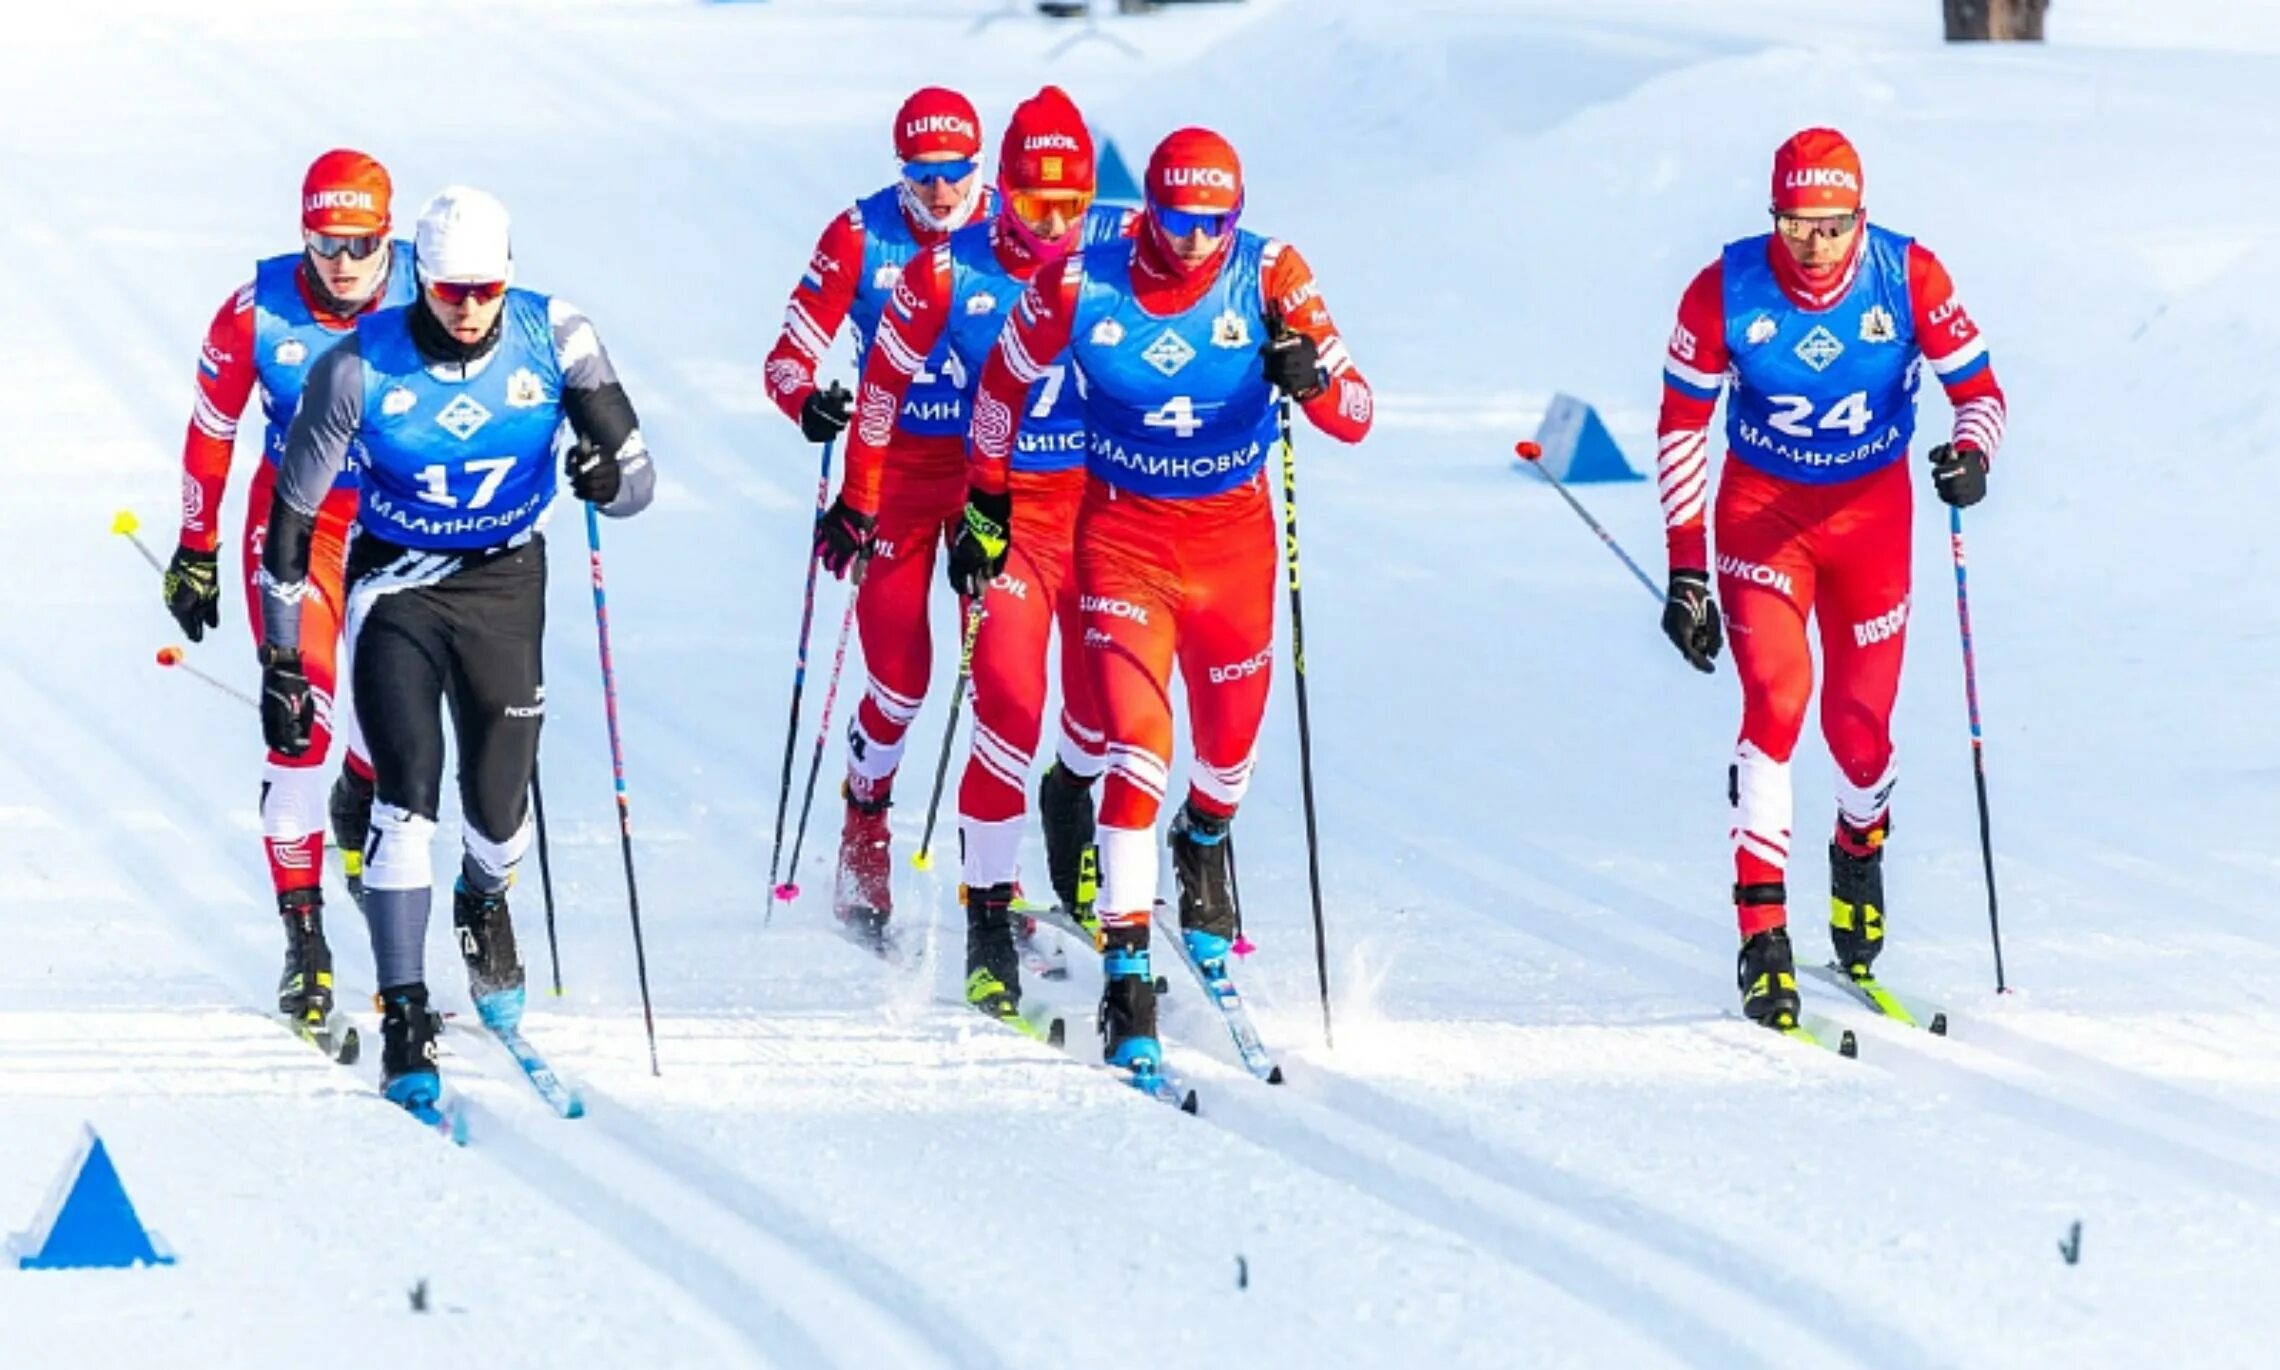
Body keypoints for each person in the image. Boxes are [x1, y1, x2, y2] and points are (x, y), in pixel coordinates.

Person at [964, 127, 1373, 1076]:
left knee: (1227, 751)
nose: (1195, 242)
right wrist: (987, 493)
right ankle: (1128, 977)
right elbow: (1001, 384)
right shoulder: (1083, 280)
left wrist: (1309, 380)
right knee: (1135, 748)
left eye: (1214, 223)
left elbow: (1357, 412)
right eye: (1179, 221)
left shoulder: (1271, 271)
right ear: (1148, 208)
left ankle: (1206, 837)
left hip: (1232, 550)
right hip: (1124, 543)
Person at [257, 186, 656, 1114]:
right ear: (419, 280)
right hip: (396, 586)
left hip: (506, 583)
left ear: (506, 276)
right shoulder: (358, 366)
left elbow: (636, 478)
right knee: (408, 796)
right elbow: (293, 518)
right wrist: (283, 659)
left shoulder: (556, 336)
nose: (467, 307)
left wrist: (605, 474)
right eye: (446, 290)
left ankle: (483, 900)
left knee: (499, 806)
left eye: (482, 288)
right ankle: (405, 1008)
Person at [1654, 128, 2006, 1028]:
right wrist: (1687, 570)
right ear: (1773, 214)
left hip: (1872, 521)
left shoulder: (1909, 277)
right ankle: (1762, 935)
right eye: (1795, 224)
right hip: (1764, 516)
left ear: (1862, 215)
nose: (1813, 245)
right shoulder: (1724, 289)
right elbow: (1681, 429)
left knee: (1861, 737)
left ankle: (1858, 848)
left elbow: (1982, 393)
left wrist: (1974, 455)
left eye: (1832, 226)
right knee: (1775, 699)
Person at [820, 85, 1130, 1021]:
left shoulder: (1119, 256)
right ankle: (942, 878)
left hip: (1092, 508)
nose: (1050, 226)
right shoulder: (936, 267)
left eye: (1069, 206)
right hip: (963, 493)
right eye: (1032, 205)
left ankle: (1067, 807)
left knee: (1104, 706)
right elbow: (871, 389)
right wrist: (853, 491)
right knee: (966, 691)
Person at [164, 149, 415, 1043]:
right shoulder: (255, 312)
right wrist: (195, 547)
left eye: (359, 243)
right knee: (296, 720)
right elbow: (211, 431)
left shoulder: (441, 292)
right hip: (297, 531)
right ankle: (304, 938)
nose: (341, 263)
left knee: (397, 732)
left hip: (400, 527)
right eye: (322, 241)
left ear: (389, 237)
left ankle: (364, 790)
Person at [763, 87, 998, 941]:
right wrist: (809, 405)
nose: (941, 193)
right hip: (889, 472)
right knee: (900, 683)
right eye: (924, 174)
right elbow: (787, 357)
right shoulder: (861, 234)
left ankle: (994, 884)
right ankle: (865, 822)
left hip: (988, 477)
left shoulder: (1012, 229)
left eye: (957, 173)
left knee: (999, 681)